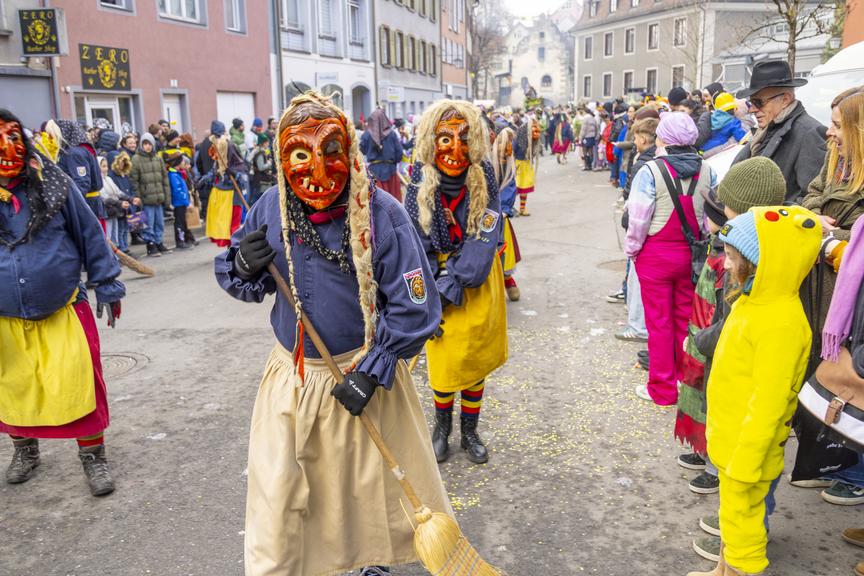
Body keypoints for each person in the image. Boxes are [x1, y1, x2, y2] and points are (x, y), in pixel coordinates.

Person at [214, 91, 451, 576]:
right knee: (283, 493)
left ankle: (371, 563)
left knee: (364, 492)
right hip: (294, 379)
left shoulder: (384, 215)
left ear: (351, 151)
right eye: (301, 156)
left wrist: (375, 368)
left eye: (331, 153)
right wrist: (243, 261)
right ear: (283, 158)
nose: (317, 173)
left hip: (360, 376)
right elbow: (242, 276)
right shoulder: (268, 208)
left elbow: (417, 305)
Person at [687, 205, 822, 576]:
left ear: (763, 263)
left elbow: (769, 404)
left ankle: (739, 571)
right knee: (731, 516)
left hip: (748, 453)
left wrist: (746, 462)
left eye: (732, 258)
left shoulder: (780, 323)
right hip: (732, 442)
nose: (726, 266)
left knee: (745, 528)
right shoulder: (753, 301)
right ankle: (721, 569)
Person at [0, 109, 124, 497]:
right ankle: (25, 449)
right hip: (6, 316)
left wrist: (107, 283)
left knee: (79, 382)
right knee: (15, 386)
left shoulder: (54, 182)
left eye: (14, 136)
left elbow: (89, 233)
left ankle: (93, 456)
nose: (8, 147)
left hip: (64, 308)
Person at [404, 100, 507, 466]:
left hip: (475, 279)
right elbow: (412, 236)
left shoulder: (485, 175)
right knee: (444, 361)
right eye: (444, 139)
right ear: (431, 141)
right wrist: (432, 286)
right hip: (436, 280)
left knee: (474, 360)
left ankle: (470, 430)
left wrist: (459, 279)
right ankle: (441, 427)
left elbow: (488, 231)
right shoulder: (420, 177)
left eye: (464, 138)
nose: (455, 149)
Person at [625, 112, 715, 405]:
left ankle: (661, 389)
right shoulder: (708, 170)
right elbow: (706, 219)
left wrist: (632, 251)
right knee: (683, 321)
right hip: (690, 254)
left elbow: (638, 220)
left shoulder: (649, 171)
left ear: (663, 138)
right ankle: (683, 382)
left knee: (659, 323)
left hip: (656, 255)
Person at [732, 59, 827, 203]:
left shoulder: (810, 133)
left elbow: (812, 199)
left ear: (785, 99)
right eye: (751, 103)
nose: (752, 109)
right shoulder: (766, 129)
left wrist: (771, 216)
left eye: (759, 102)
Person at [205, 121, 247, 247]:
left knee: (233, 220)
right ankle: (231, 246)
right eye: (215, 136)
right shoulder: (215, 147)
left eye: (219, 136)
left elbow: (242, 167)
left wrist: (233, 172)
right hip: (221, 190)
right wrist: (206, 179)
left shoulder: (230, 145)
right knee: (222, 220)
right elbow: (216, 167)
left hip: (233, 191)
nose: (217, 139)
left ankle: (236, 246)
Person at [130, 133, 172, 257]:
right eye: (145, 144)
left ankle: (159, 242)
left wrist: (166, 197)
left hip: (158, 197)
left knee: (159, 222)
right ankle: (151, 244)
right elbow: (134, 180)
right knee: (148, 223)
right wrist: (138, 197)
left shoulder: (158, 158)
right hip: (146, 198)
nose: (147, 146)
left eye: (149, 144)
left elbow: (164, 179)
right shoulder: (136, 159)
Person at [56, 120, 105, 223]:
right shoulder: (79, 150)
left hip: (87, 204)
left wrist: (71, 204)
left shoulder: (75, 153)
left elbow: (82, 183)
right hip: (90, 203)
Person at [493, 125, 521, 301]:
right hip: (481, 216)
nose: (508, 147)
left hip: (500, 217)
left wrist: (503, 210)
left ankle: (508, 280)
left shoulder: (509, 166)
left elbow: (510, 187)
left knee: (504, 251)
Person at [360, 108, 404, 201]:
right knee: (394, 203)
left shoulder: (367, 134)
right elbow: (399, 153)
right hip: (390, 171)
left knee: (376, 204)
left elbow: (362, 150)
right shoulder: (392, 134)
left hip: (374, 172)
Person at [98, 156, 134, 250]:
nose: (105, 168)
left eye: (106, 166)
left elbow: (118, 192)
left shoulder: (109, 179)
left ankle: (116, 256)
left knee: (115, 236)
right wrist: (119, 203)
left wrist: (130, 199)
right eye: (103, 166)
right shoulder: (98, 181)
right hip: (106, 212)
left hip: (114, 211)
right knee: (108, 236)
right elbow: (104, 198)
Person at [107, 150, 139, 254]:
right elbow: (117, 192)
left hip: (128, 206)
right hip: (120, 206)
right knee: (120, 229)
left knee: (126, 228)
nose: (122, 165)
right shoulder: (112, 176)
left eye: (124, 163)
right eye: (120, 162)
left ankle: (125, 246)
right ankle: (121, 248)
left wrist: (132, 198)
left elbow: (129, 188)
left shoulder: (125, 175)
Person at [701, 93, 748, 158]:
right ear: (734, 108)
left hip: (705, 146)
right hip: (719, 147)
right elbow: (740, 136)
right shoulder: (734, 122)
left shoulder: (712, 117)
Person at [165, 151, 196, 250]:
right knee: (179, 223)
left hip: (182, 203)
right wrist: (187, 203)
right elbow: (178, 191)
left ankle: (185, 239)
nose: (184, 163)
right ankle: (180, 241)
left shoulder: (177, 174)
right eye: (182, 161)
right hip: (179, 203)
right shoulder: (173, 175)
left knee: (183, 222)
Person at [514, 116, 540, 216]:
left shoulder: (523, 134)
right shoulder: (522, 135)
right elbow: (514, 149)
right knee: (515, 187)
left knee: (523, 187)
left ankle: (521, 208)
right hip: (519, 163)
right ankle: (511, 208)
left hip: (525, 162)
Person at [249, 132, 275, 205]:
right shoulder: (260, 153)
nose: (268, 144)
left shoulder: (264, 152)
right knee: (259, 201)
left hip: (263, 180)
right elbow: (261, 167)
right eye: (267, 142)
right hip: (261, 181)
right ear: (263, 143)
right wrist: (269, 163)